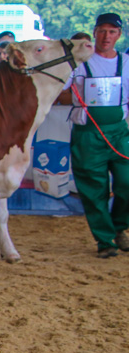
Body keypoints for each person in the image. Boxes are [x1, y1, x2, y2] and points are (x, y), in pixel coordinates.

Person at [57, 13, 129, 258]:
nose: (106, 36)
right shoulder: (78, 63)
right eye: (102, 31)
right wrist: (79, 97)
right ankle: (105, 240)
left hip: (120, 133)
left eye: (112, 32)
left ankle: (119, 227)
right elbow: (58, 93)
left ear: (119, 35)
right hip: (88, 134)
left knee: (126, 182)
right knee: (93, 190)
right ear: (95, 32)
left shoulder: (127, 63)